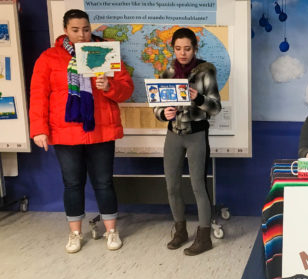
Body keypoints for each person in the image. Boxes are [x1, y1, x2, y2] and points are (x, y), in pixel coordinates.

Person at [29, 9, 134, 253]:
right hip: (65, 133)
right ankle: (75, 234)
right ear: (66, 30)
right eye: (75, 30)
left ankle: (111, 231)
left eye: (85, 29)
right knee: (72, 184)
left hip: (101, 130)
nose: (82, 34)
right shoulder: (49, 57)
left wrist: (109, 86)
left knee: (104, 182)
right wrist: (39, 130)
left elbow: (126, 90)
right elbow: (38, 96)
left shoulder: (106, 52)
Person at [153, 28, 221, 256]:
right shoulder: (168, 72)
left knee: (197, 185)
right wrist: (164, 114)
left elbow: (215, 108)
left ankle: (204, 237)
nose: (183, 53)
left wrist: (198, 97)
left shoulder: (206, 71)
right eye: (178, 48)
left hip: (196, 135)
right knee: (171, 185)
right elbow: (157, 108)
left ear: (195, 48)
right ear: (173, 48)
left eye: (188, 48)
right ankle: (180, 230)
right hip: (173, 135)